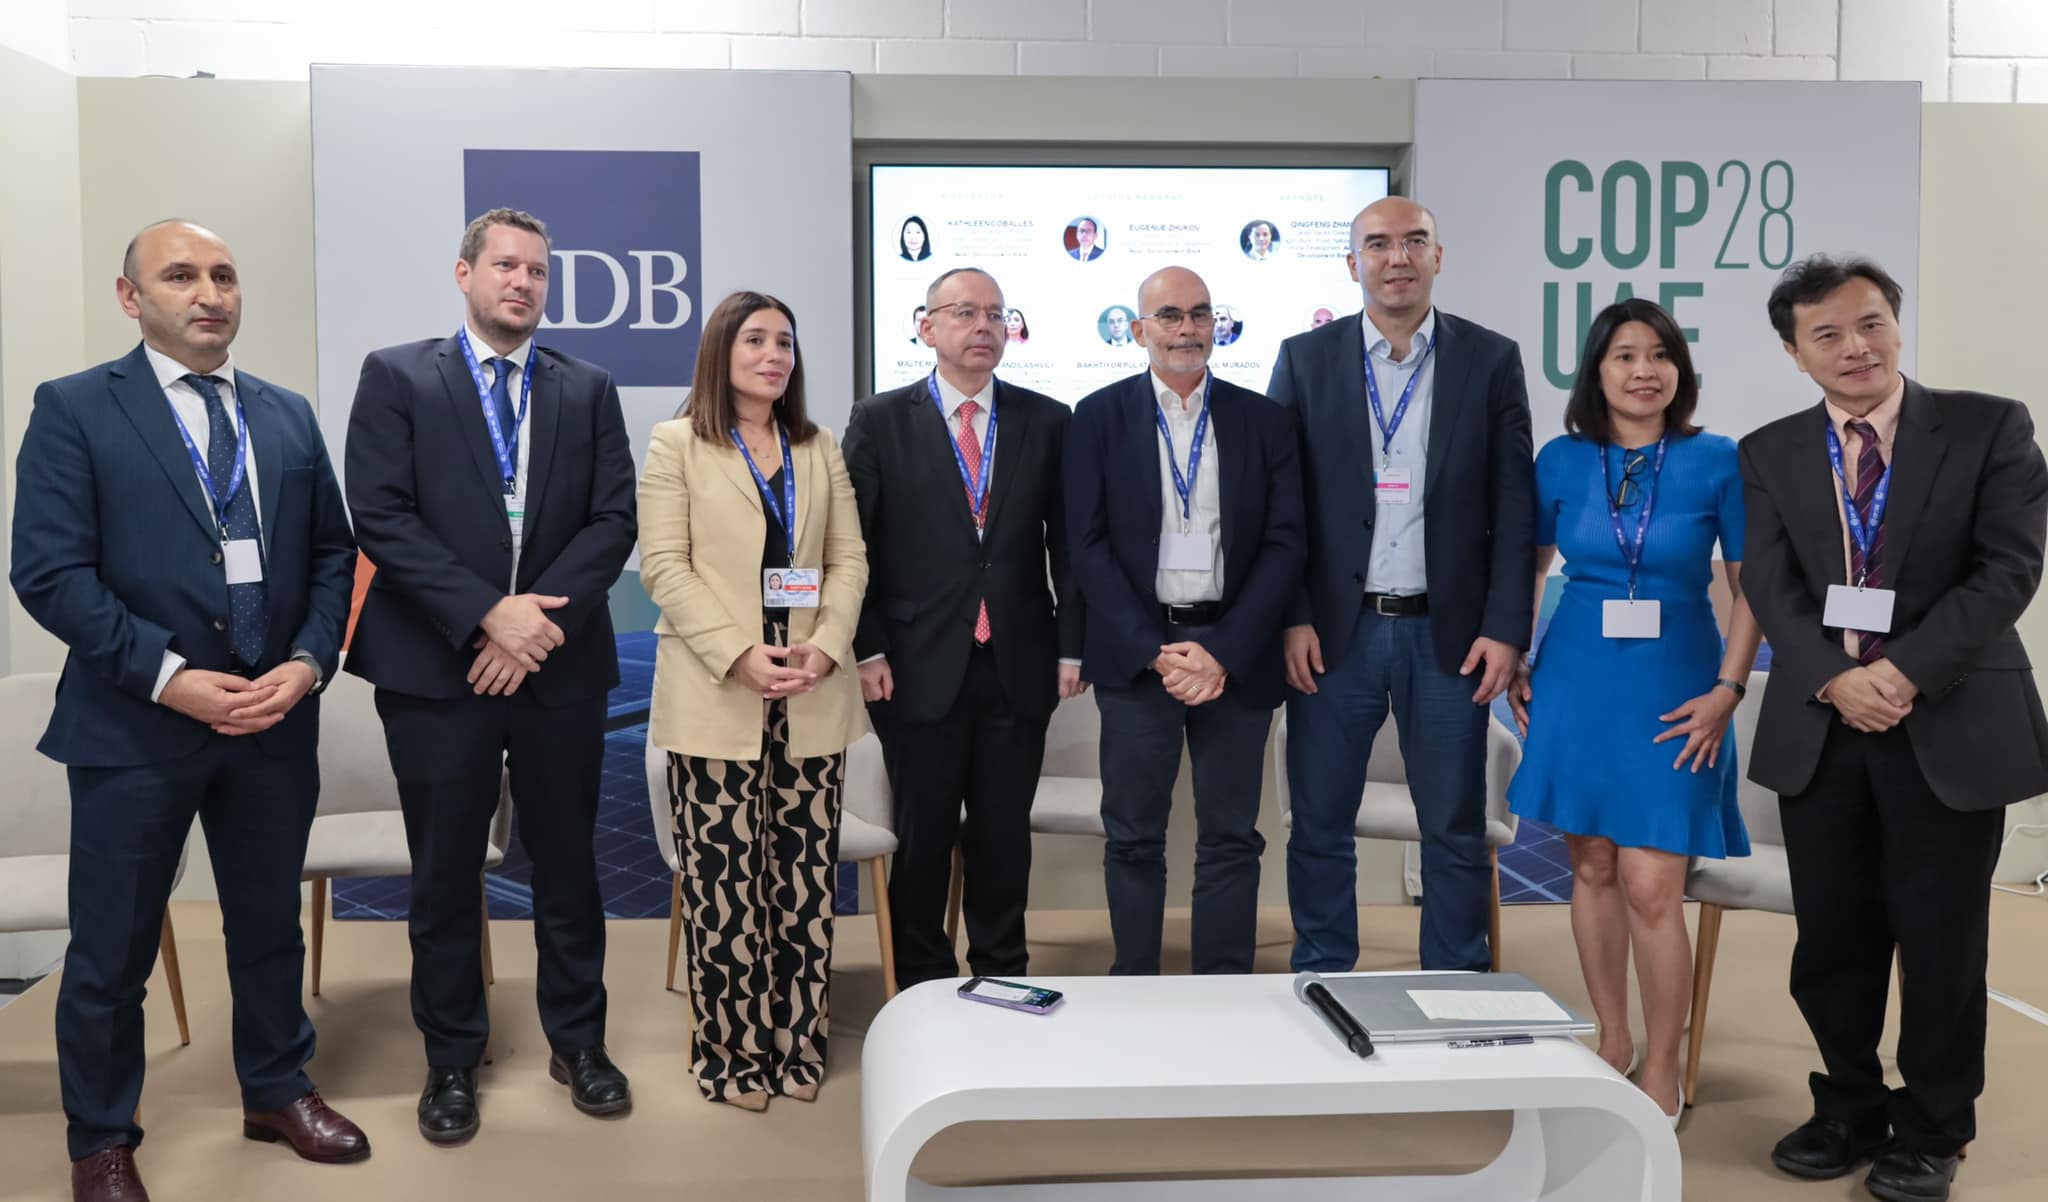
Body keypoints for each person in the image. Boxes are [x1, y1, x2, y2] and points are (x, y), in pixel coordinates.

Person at [10, 220, 364, 1201]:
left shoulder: (286, 414)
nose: (208, 292)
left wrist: (308, 662)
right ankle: (100, 1137)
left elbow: (333, 554)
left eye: (223, 275)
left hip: (271, 719)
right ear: (131, 298)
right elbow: (49, 571)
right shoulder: (76, 407)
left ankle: (277, 1088)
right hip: (135, 724)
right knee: (112, 948)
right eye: (179, 275)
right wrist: (169, 677)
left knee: (268, 925)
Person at [1740, 255, 2048, 1202]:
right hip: (1824, 723)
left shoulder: (1989, 426)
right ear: (1795, 353)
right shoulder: (1770, 451)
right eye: (1826, 334)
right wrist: (1837, 678)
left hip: (1946, 718)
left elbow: (2008, 569)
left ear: (1896, 325)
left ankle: (1935, 1127)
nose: (1855, 347)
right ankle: (1848, 1106)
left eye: (1870, 322)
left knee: (1942, 938)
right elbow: (1771, 585)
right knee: (1833, 939)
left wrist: (1902, 672)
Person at [344, 208, 638, 1144]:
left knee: (568, 866)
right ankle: (449, 1058)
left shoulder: (586, 387)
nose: (523, 282)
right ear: (464, 273)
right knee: (444, 874)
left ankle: (578, 1043)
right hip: (436, 670)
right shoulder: (397, 376)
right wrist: (487, 614)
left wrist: (530, 630)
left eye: (538, 271)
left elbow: (613, 519)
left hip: (556, 666)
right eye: (506, 265)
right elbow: (380, 514)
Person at [1267, 196, 1536, 975]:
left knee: (1453, 824)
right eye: (1379, 244)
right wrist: (1292, 615)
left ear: (1438, 257)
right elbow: (1280, 506)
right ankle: (1323, 971)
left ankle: (1454, 979)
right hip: (1334, 633)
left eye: (1415, 241)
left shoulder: (1490, 359)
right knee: (1320, 821)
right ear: (1353, 263)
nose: (1398, 258)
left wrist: (1506, 628)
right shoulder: (1305, 359)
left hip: (1449, 637)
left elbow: (1514, 507)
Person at [1506, 299, 1758, 1125]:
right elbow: (1529, 567)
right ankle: (1611, 1039)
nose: (1644, 370)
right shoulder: (1562, 459)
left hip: (1679, 686)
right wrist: (1518, 655)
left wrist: (1728, 689)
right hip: (1577, 677)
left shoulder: (1718, 460)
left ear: (1680, 369)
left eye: (1660, 354)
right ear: (1597, 370)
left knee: (1653, 883)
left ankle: (1663, 1061)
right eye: (1624, 355)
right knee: (1592, 867)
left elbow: (1750, 588)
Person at [639, 290, 868, 1110]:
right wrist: (738, 654)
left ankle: (797, 1043)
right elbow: (664, 565)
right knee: (726, 889)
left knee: (804, 885)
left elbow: (849, 559)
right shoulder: (676, 444)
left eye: (785, 343)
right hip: (718, 688)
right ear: (721, 352)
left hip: (809, 687)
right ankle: (730, 1055)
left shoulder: (818, 446)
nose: (774, 356)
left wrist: (826, 645)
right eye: (756, 341)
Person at [844, 267, 1084, 990]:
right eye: (964, 313)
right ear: (926, 327)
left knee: (1003, 835)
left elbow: (1069, 546)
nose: (983, 326)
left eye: (996, 315)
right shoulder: (880, 420)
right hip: (914, 664)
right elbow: (853, 546)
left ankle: (1002, 973)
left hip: (1019, 661)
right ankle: (922, 984)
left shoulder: (1048, 420)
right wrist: (867, 646)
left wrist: (1073, 644)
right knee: (922, 835)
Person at [1066, 266, 1306, 975]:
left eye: (1201, 314)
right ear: (1138, 330)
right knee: (1133, 836)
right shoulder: (1097, 416)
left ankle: (1222, 986)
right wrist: (1154, 650)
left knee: (1231, 836)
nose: (1188, 328)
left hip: (1235, 656)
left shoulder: (1264, 420)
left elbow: (1286, 543)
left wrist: (1222, 652)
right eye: (1169, 316)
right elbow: (1086, 546)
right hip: (1141, 659)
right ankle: (1136, 982)